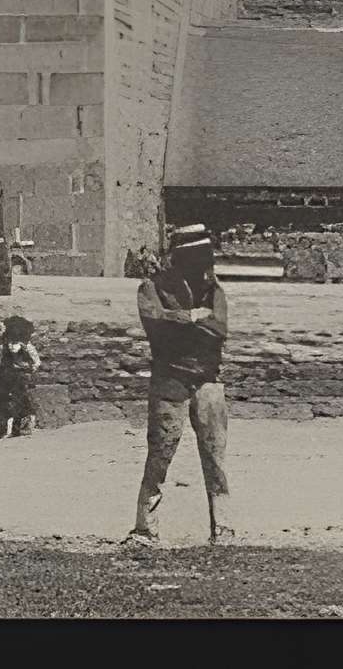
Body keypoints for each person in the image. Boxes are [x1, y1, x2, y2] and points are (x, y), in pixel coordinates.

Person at [131, 224, 234, 544]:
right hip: (170, 380)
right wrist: (191, 318)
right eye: (198, 256)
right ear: (180, 257)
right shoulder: (151, 287)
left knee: (215, 458)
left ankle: (224, 529)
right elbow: (156, 327)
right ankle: (146, 529)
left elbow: (218, 329)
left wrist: (179, 321)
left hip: (208, 382)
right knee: (160, 455)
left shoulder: (213, 289)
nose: (205, 264)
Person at [0, 316, 43, 439]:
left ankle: (17, 429)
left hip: (18, 377)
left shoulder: (25, 346)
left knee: (18, 402)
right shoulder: (3, 345)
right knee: (2, 402)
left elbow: (36, 362)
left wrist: (24, 367)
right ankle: (0, 429)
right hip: (3, 377)